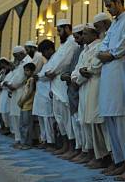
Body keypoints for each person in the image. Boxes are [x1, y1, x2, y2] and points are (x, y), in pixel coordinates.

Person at [98, 0, 125, 178]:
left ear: (119, 1)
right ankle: (120, 161)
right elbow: (102, 46)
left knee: (123, 122)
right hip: (108, 75)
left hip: (121, 73)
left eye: (110, 4)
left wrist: (111, 54)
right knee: (111, 121)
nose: (108, 8)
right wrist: (106, 54)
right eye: (106, 5)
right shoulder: (113, 24)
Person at [73, 24, 111, 169]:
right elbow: (78, 69)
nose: (83, 36)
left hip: (95, 87)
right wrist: (75, 78)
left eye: (85, 33)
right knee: (88, 123)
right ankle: (96, 154)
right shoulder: (85, 50)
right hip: (85, 89)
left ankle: (105, 156)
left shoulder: (99, 46)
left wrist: (79, 77)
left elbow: (92, 69)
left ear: (94, 34)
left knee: (98, 123)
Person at [45, 19, 79, 157]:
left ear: (66, 28)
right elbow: (54, 62)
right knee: (59, 118)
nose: (58, 34)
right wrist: (49, 71)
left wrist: (52, 71)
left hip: (62, 83)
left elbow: (65, 62)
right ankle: (66, 145)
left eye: (59, 30)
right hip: (56, 84)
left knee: (67, 118)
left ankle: (72, 147)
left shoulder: (72, 42)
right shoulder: (64, 45)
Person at [64, 24, 86, 161]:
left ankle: (85, 151)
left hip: (80, 87)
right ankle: (79, 149)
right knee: (75, 123)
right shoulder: (79, 50)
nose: (76, 40)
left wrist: (72, 77)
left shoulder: (87, 49)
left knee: (82, 122)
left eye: (78, 37)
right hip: (73, 89)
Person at [5, 45, 32, 149]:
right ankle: (18, 139)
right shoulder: (19, 63)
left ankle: (24, 141)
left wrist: (13, 85)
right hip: (15, 91)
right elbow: (15, 76)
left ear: (21, 53)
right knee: (15, 116)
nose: (15, 58)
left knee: (22, 118)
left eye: (16, 56)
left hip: (21, 91)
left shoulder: (28, 61)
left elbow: (22, 78)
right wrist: (9, 85)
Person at [35, 40, 58, 150]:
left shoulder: (55, 59)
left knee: (48, 120)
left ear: (50, 49)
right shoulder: (48, 61)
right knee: (42, 119)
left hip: (47, 94)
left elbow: (49, 74)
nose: (43, 55)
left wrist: (39, 76)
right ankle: (44, 140)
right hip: (41, 94)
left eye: (44, 52)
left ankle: (51, 142)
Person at [18, 62, 37, 150]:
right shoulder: (27, 80)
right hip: (24, 105)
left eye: (28, 70)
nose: (26, 72)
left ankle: (28, 143)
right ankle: (23, 142)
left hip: (28, 105)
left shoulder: (32, 80)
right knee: (22, 125)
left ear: (32, 71)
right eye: (25, 70)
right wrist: (20, 101)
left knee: (27, 125)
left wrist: (23, 101)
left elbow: (30, 92)